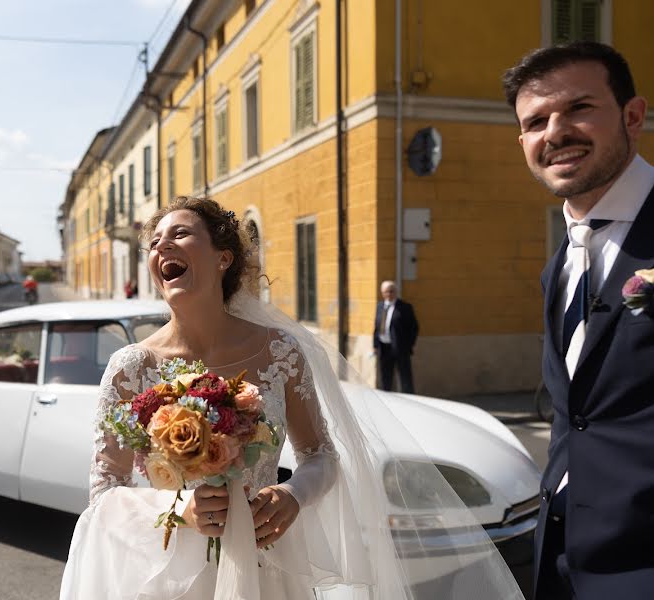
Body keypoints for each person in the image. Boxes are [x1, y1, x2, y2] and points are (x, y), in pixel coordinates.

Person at [60, 197, 523, 599]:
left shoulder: (278, 352)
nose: (161, 246)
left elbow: (320, 454)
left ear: (224, 257)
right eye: (155, 241)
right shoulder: (131, 367)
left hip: (265, 566)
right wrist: (178, 509)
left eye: (179, 234)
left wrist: (293, 494)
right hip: (169, 574)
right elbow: (104, 493)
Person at [503, 42, 654, 599]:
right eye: (536, 121)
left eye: (579, 108)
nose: (556, 132)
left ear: (632, 116)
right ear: (523, 143)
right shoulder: (560, 264)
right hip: (562, 562)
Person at [372, 280, 419, 393]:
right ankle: (387, 400)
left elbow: (414, 328)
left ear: (396, 292)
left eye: (391, 291)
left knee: (405, 378)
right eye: (386, 292)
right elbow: (377, 327)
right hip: (384, 348)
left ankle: (409, 400)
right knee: (386, 377)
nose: (389, 294)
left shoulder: (405, 307)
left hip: (400, 348)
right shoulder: (380, 306)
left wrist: (408, 345)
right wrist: (375, 345)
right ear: (382, 293)